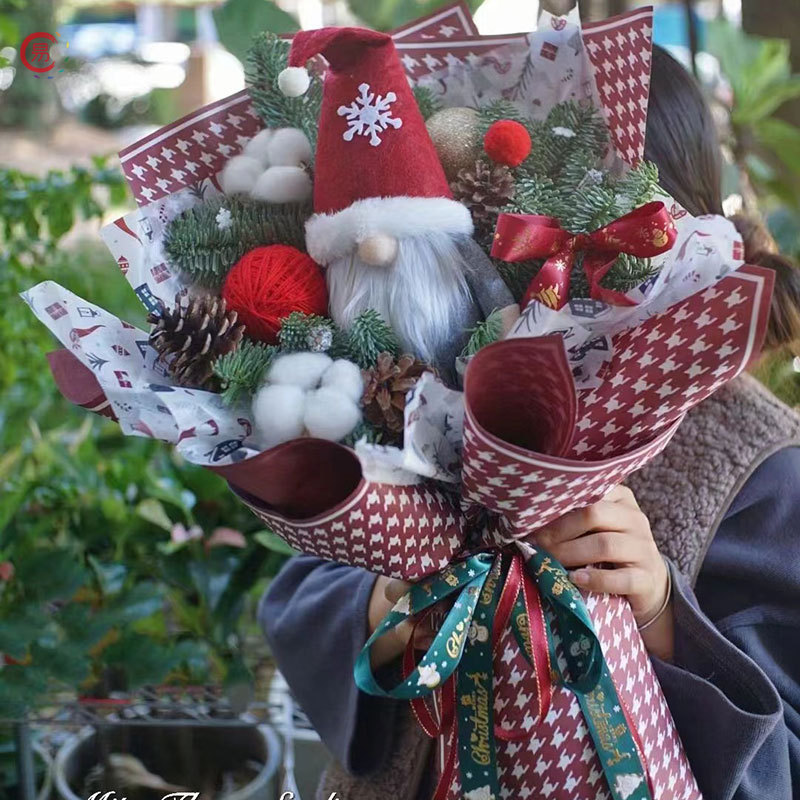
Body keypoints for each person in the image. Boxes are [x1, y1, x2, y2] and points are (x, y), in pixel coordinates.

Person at [259, 45, 800, 800]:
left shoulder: (761, 463)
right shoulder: (422, 381)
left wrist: (659, 614)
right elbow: (301, 592)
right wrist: (391, 602)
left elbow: (784, 753)